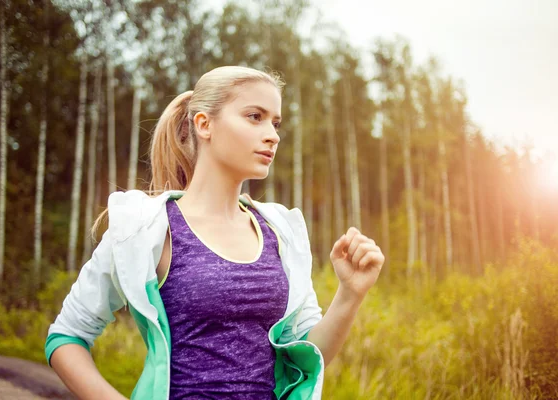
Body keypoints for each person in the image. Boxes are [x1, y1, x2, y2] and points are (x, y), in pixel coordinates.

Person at [45, 66, 385, 400]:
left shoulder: (280, 231)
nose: (273, 134)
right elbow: (67, 337)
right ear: (204, 125)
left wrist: (350, 294)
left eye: (276, 122)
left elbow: (310, 353)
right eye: (255, 116)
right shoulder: (145, 228)